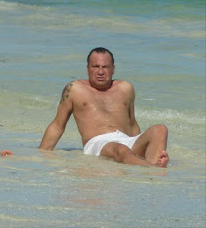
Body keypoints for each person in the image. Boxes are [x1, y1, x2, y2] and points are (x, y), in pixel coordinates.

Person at [39, 47, 169, 167]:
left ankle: (152, 171)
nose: (100, 72)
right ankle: (153, 169)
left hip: (125, 140)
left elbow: (132, 124)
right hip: (97, 143)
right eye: (95, 66)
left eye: (105, 67)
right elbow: (58, 125)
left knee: (160, 129)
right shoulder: (74, 89)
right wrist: (41, 153)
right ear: (87, 68)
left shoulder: (126, 88)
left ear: (113, 69)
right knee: (120, 149)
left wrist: (140, 146)